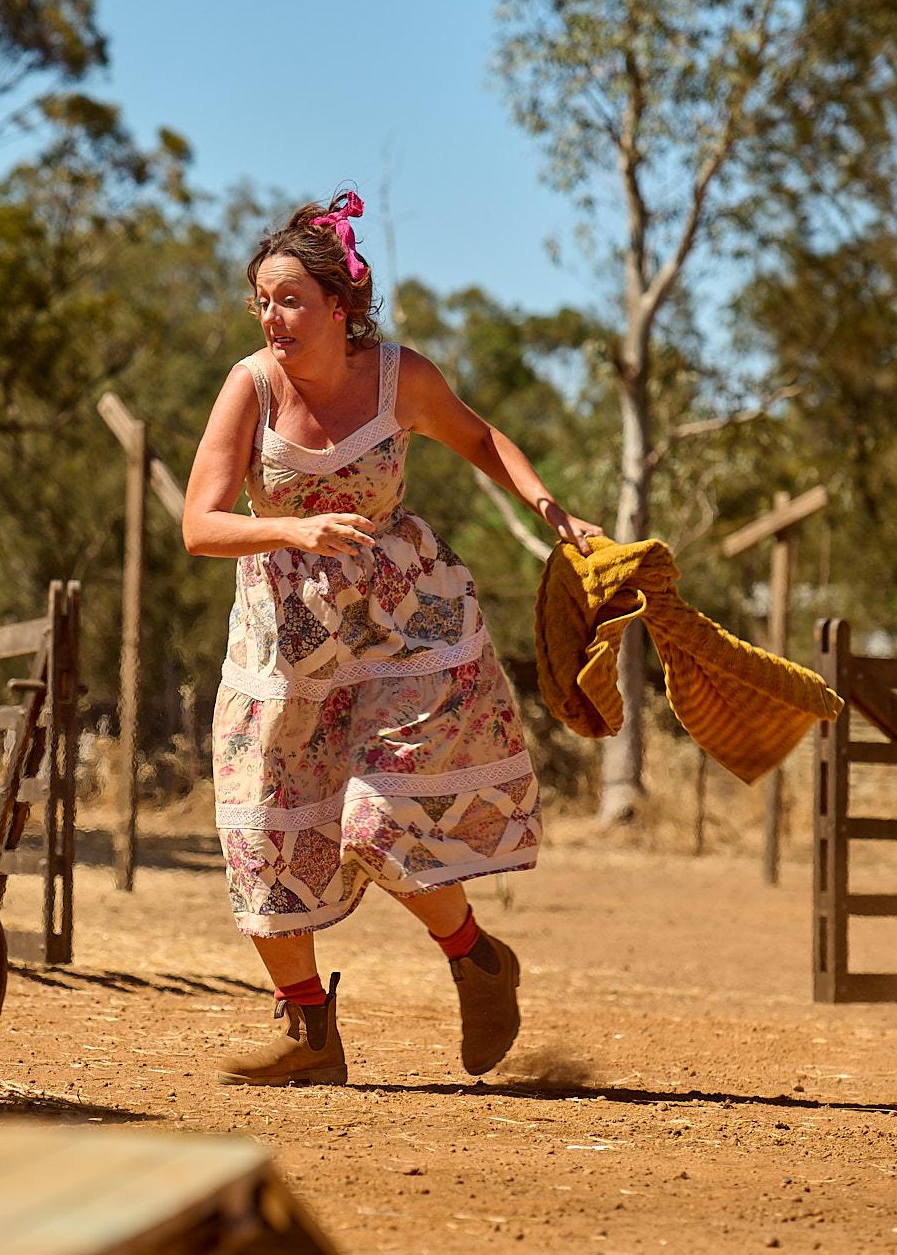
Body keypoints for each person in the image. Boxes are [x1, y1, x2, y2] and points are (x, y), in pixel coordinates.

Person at [181, 193, 601, 1086]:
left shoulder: (398, 376)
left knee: (376, 821)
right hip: (282, 645)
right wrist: (292, 532)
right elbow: (200, 524)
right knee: (263, 836)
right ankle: (309, 1032)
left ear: (339, 305)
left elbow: (481, 438)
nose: (272, 316)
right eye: (262, 300)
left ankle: (476, 959)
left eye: (290, 298)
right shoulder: (249, 386)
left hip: (401, 624)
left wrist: (549, 507)